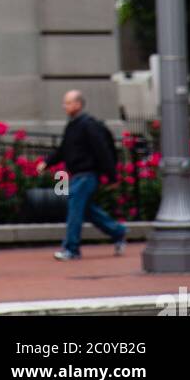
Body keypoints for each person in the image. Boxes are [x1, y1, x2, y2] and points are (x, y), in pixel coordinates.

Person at [37, 89, 126, 261]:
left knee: (75, 210)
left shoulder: (88, 125)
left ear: (78, 104)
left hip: (86, 175)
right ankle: (118, 231)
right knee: (87, 211)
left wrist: (112, 176)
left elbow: (102, 151)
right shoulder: (73, 125)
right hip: (79, 175)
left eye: (68, 102)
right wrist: (47, 163)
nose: (64, 106)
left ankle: (72, 249)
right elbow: (64, 150)